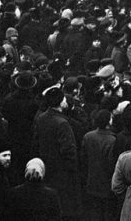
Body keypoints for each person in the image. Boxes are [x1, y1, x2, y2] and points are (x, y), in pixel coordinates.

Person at [33, 86, 82, 221]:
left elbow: (36, 143)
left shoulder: (41, 118)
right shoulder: (62, 123)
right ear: (61, 103)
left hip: (47, 168)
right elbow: (69, 151)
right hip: (62, 173)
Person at [81, 109, 118, 221]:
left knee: (94, 211)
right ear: (108, 122)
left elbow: (83, 159)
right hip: (106, 182)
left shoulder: (88, 136)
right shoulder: (112, 140)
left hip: (91, 180)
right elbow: (112, 164)